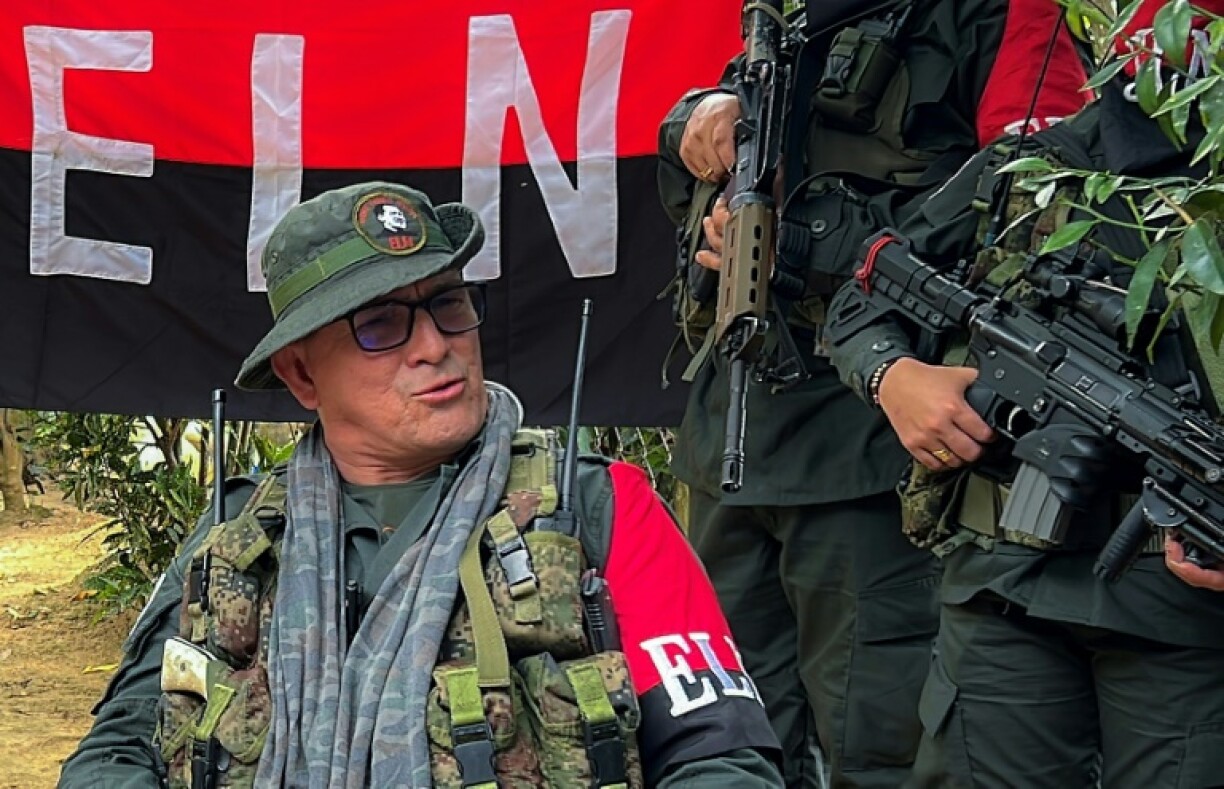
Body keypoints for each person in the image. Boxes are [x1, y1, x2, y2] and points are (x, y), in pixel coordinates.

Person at [59, 182, 784, 788]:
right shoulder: (235, 537)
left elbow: (720, 756)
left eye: (447, 304)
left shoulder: (601, 508)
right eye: (381, 323)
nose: (435, 344)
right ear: (303, 374)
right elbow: (120, 747)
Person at [656, 0, 1088, 785]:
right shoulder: (790, 19)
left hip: (875, 450)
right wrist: (699, 124)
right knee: (717, 745)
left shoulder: (1004, 17)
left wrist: (829, 242)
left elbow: (1045, 218)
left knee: (877, 745)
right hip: (735, 437)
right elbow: (729, 149)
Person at [825, 2, 1224, 784]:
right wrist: (895, 376)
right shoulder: (1038, 170)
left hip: (1184, 618)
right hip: (1004, 592)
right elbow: (866, 294)